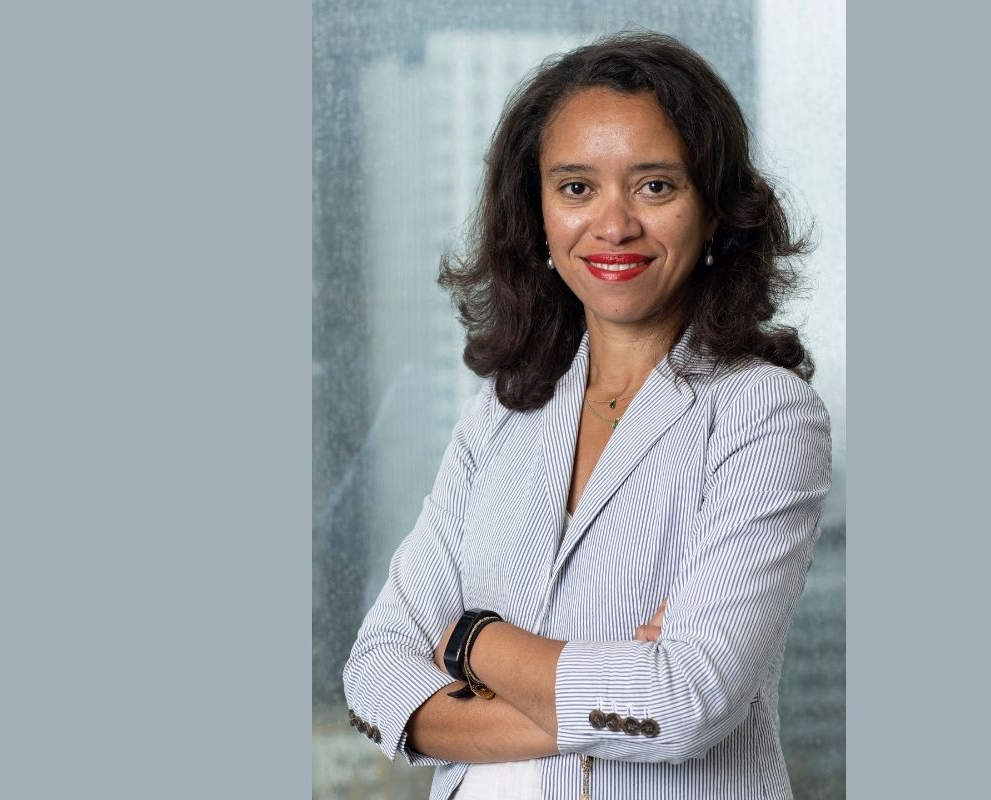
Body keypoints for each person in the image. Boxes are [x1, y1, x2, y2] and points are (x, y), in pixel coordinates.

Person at [343, 31, 831, 800]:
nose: (613, 225)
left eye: (655, 186)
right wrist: (614, 690)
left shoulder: (766, 415)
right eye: (576, 188)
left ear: (714, 211)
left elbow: (684, 699)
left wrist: (470, 640)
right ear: (536, 212)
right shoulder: (502, 411)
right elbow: (374, 680)